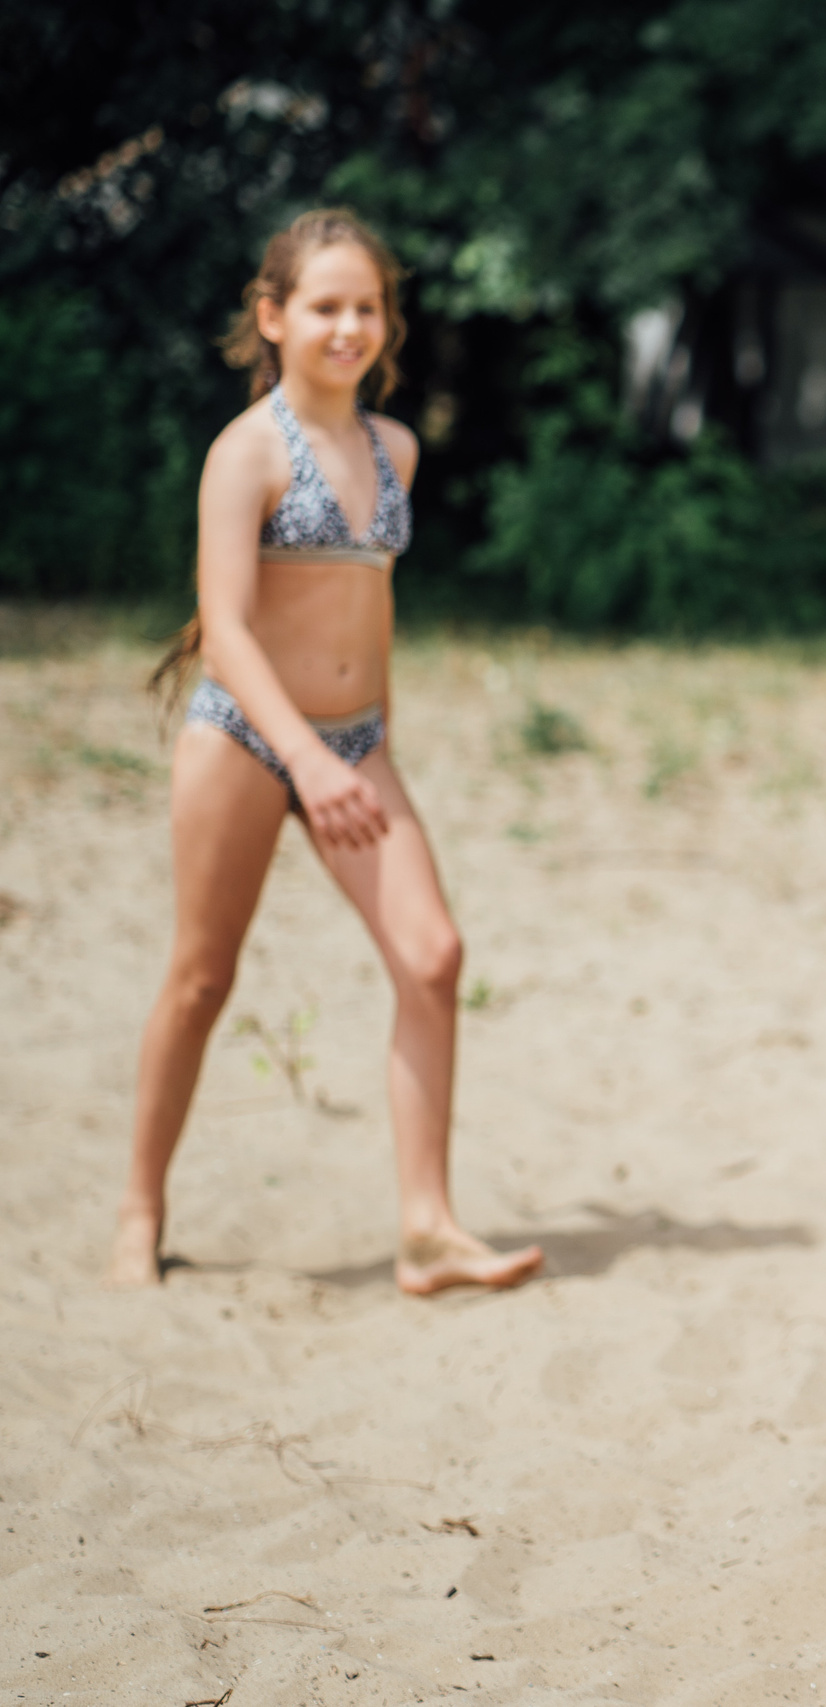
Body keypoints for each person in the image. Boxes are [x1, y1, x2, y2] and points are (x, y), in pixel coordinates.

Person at [107, 208, 542, 1297]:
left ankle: (428, 1228)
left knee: (433, 958)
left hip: (358, 745)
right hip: (249, 739)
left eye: (367, 307)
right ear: (274, 317)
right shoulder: (244, 453)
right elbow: (227, 627)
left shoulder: (391, 447)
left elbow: (369, 614)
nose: (349, 326)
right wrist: (304, 760)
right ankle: (139, 1207)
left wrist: (363, 747)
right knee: (203, 976)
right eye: (325, 307)